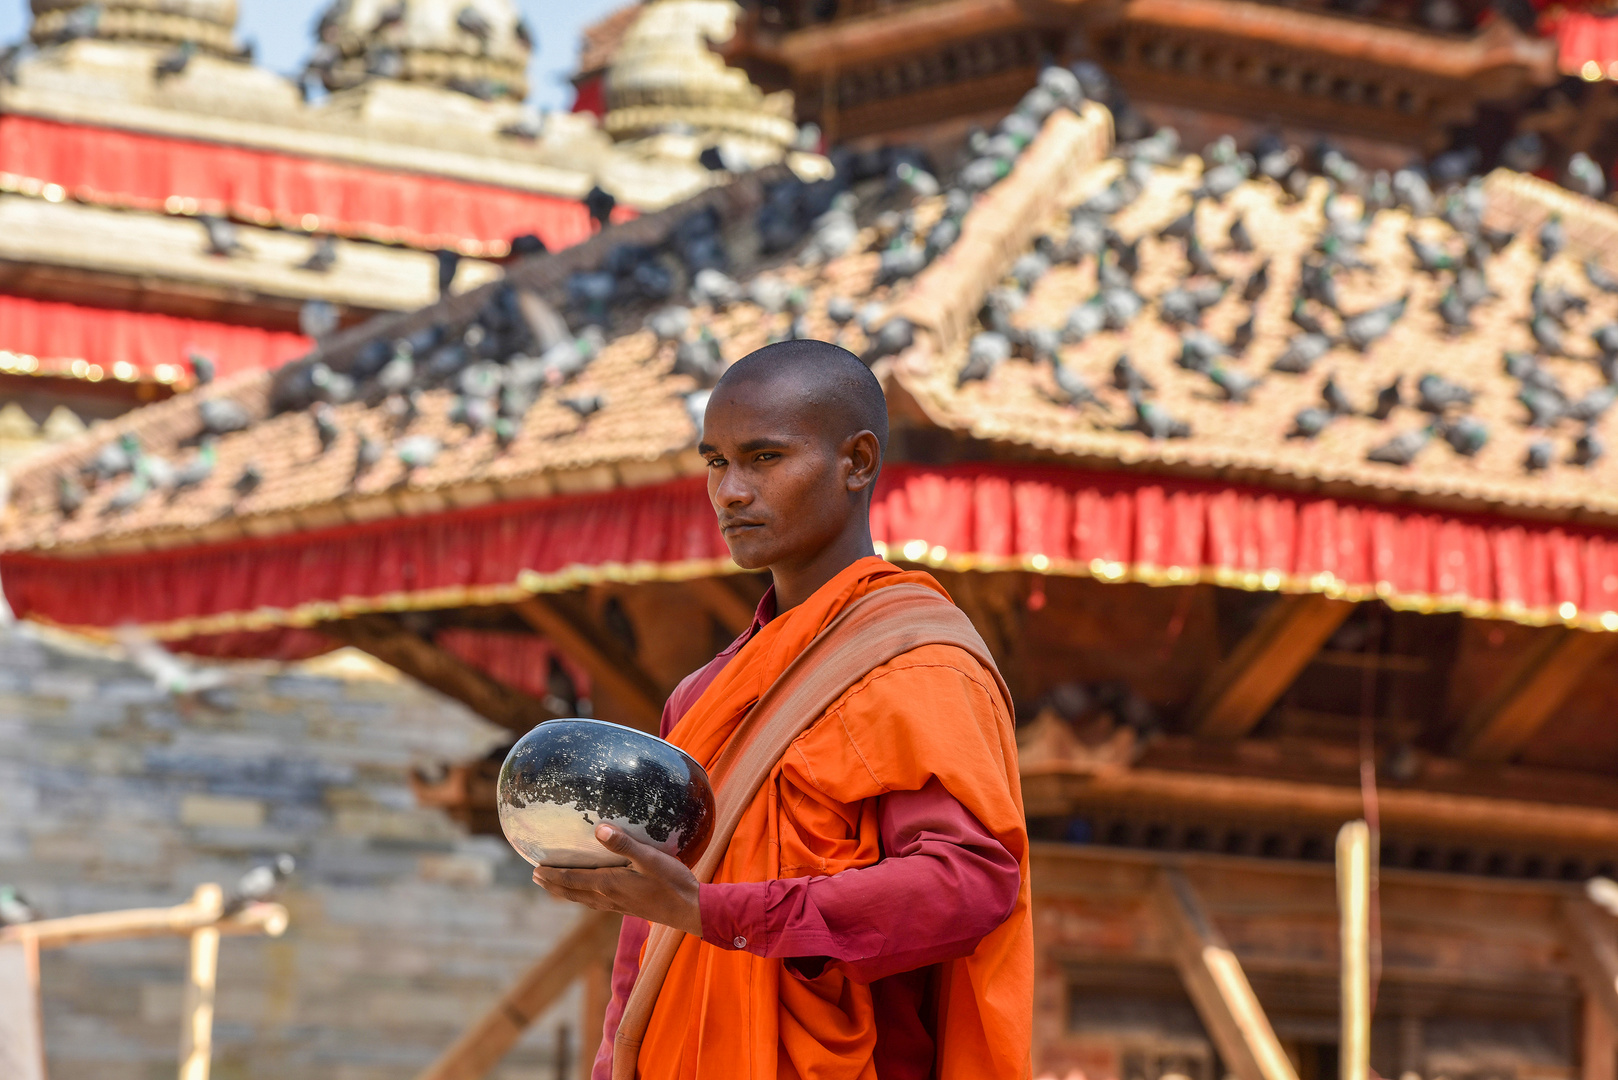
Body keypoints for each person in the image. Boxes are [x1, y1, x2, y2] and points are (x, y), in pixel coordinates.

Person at [533, 338, 1032, 1079]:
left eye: (765, 458)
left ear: (856, 462)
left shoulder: (918, 663)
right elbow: (651, 940)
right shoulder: (704, 694)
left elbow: (968, 885)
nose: (730, 491)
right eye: (716, 461)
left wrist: (720, 914)